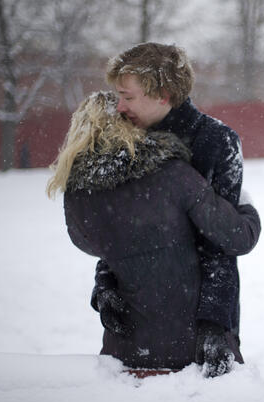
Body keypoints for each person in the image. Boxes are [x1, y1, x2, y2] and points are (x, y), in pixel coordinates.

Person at [46, 91, 260, 376]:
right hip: (189, 349)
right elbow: (238, 237)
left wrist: (104, 285)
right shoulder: (170, 175)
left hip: (125, 353)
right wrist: (246, 207)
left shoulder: (78, 196)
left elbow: (110, 249)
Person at [94, 42, 249, 374]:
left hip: (196, 323)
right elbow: (115, 230)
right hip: (133, 323)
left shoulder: (215, 142)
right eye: (118, 96)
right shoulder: (124, 140)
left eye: (128, 97)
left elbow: (219, 245)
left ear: (162, 94)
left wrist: (214, 323)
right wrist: (105, 287)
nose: (119, 107)